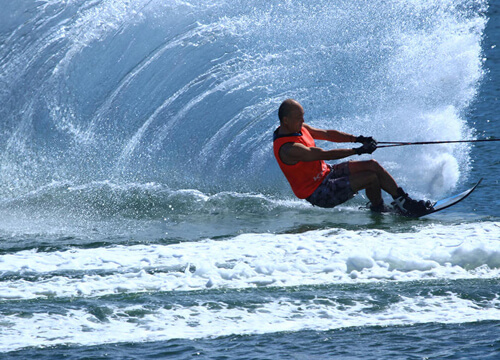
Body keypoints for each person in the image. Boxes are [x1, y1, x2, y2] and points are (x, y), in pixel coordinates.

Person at [273, 99, 432, 216]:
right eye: (299, 118)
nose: (303, 121)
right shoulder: (288, 149)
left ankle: (403, 202)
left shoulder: (300, 128)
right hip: (319, 192)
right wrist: (358, 151)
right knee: (370, 177)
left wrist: (358, 139)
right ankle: (379, 208)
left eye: (303, 116)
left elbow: (328, 134)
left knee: (372, 165)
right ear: (285, 121)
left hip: (327, 173)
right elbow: (324, 154)